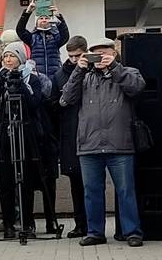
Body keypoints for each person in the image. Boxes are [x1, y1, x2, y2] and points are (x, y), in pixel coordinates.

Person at [60, 38, 145, 247]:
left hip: (120, 143)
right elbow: (66, 98)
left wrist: (114, 67)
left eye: (104, 54)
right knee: (92, 191)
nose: (100, 58)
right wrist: (78, 71)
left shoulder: (128, 72)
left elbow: (136, 88)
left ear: (114, 54)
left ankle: (132, 232)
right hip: (89, 144)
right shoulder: (84, 77)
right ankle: (95, 232)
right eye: (95, 54)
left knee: (126, 190)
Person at [0, 42, 56, 238]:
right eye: (5, 56)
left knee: (26, 180)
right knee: (6, 180)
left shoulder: (32, 79)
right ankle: (8, 223)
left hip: (27, 135)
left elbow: (34, 104)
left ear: (21, 59)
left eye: (12, 56)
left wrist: (21, 85)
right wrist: (0, 84)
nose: (8, 60)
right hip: (6, 135)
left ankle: (27, 222)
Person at [51, 36, 89, 238]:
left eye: (78, 56)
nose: (74, 60)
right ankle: (80, 223)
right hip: (70, 134)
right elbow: (54, 106)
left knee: (91, 184)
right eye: (71, 56)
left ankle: (93, 224)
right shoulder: (59, 75)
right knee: (76, 184)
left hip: (90, 133)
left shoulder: (93, 69)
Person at [15, 1, 70, 73]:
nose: (44, 20)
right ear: (36, 22)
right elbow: (20, 30)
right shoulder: (32, 37)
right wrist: (27, 13)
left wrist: (58, 17)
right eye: (41, 18)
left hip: (54, 75)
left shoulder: (55, 36)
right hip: (37, 76)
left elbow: (65, 36)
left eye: (46, 18)